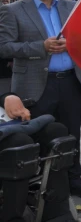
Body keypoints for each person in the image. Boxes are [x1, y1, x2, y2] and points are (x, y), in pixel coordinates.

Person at [0, 0, 81, 197]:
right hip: (35, 85)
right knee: (40, 136)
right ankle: (42, 187)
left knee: (71, 136)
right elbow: (4, 47)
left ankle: (74, 181)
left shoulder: (70, 6)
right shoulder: (13, 10)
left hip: (71, 82)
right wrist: (41, 47)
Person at [0, 93, 74, 221]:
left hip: (8, 125)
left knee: (56, 131)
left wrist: (7, 97)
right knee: (19, 143)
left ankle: (57, 212)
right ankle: (12, 217)